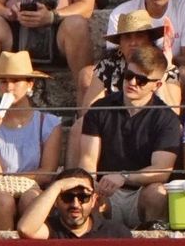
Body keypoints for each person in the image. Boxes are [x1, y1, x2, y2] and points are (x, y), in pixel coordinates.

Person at [74, 43, 178, 229]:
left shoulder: (167, 118)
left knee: (157, 193)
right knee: (88, 195)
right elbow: (87, 160)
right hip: (105, 192)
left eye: (141, 80)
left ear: (157, 85)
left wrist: (124, 176)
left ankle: (153, 241)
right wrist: (93, 187)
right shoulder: (99, 109)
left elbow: (162, 170)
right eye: (128, 75)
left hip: (141, 193)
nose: (132, 82)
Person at [0, 51, 62, 232]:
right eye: (3, 81)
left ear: (30, 84)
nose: (9, 87)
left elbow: (46, 173)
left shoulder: (48, 124)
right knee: (3, 201)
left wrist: (11, 180)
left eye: (15, 81)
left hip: (33, 190)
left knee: (31, 198)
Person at [17, 166, 132, 238]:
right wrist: (58, 186)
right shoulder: (51, 229)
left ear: (93, 200)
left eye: (83, 197)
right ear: (56, 201)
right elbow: (25, 229)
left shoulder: (116, 233)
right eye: (67, 197)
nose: (75, 204)